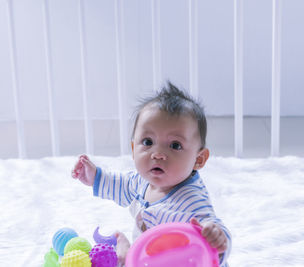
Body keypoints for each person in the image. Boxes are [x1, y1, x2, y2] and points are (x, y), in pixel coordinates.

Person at [71, 81, 231, 266]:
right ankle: (127, 252)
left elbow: (212, 225)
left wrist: (216, 236)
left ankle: (126, 251)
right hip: (150, 257)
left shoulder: (189, 200)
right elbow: (121, 184)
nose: (158, 154)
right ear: (133, 149)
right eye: (148, 142)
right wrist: (95, 176)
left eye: (175, 145)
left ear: (199, 159)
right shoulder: (141, 181)